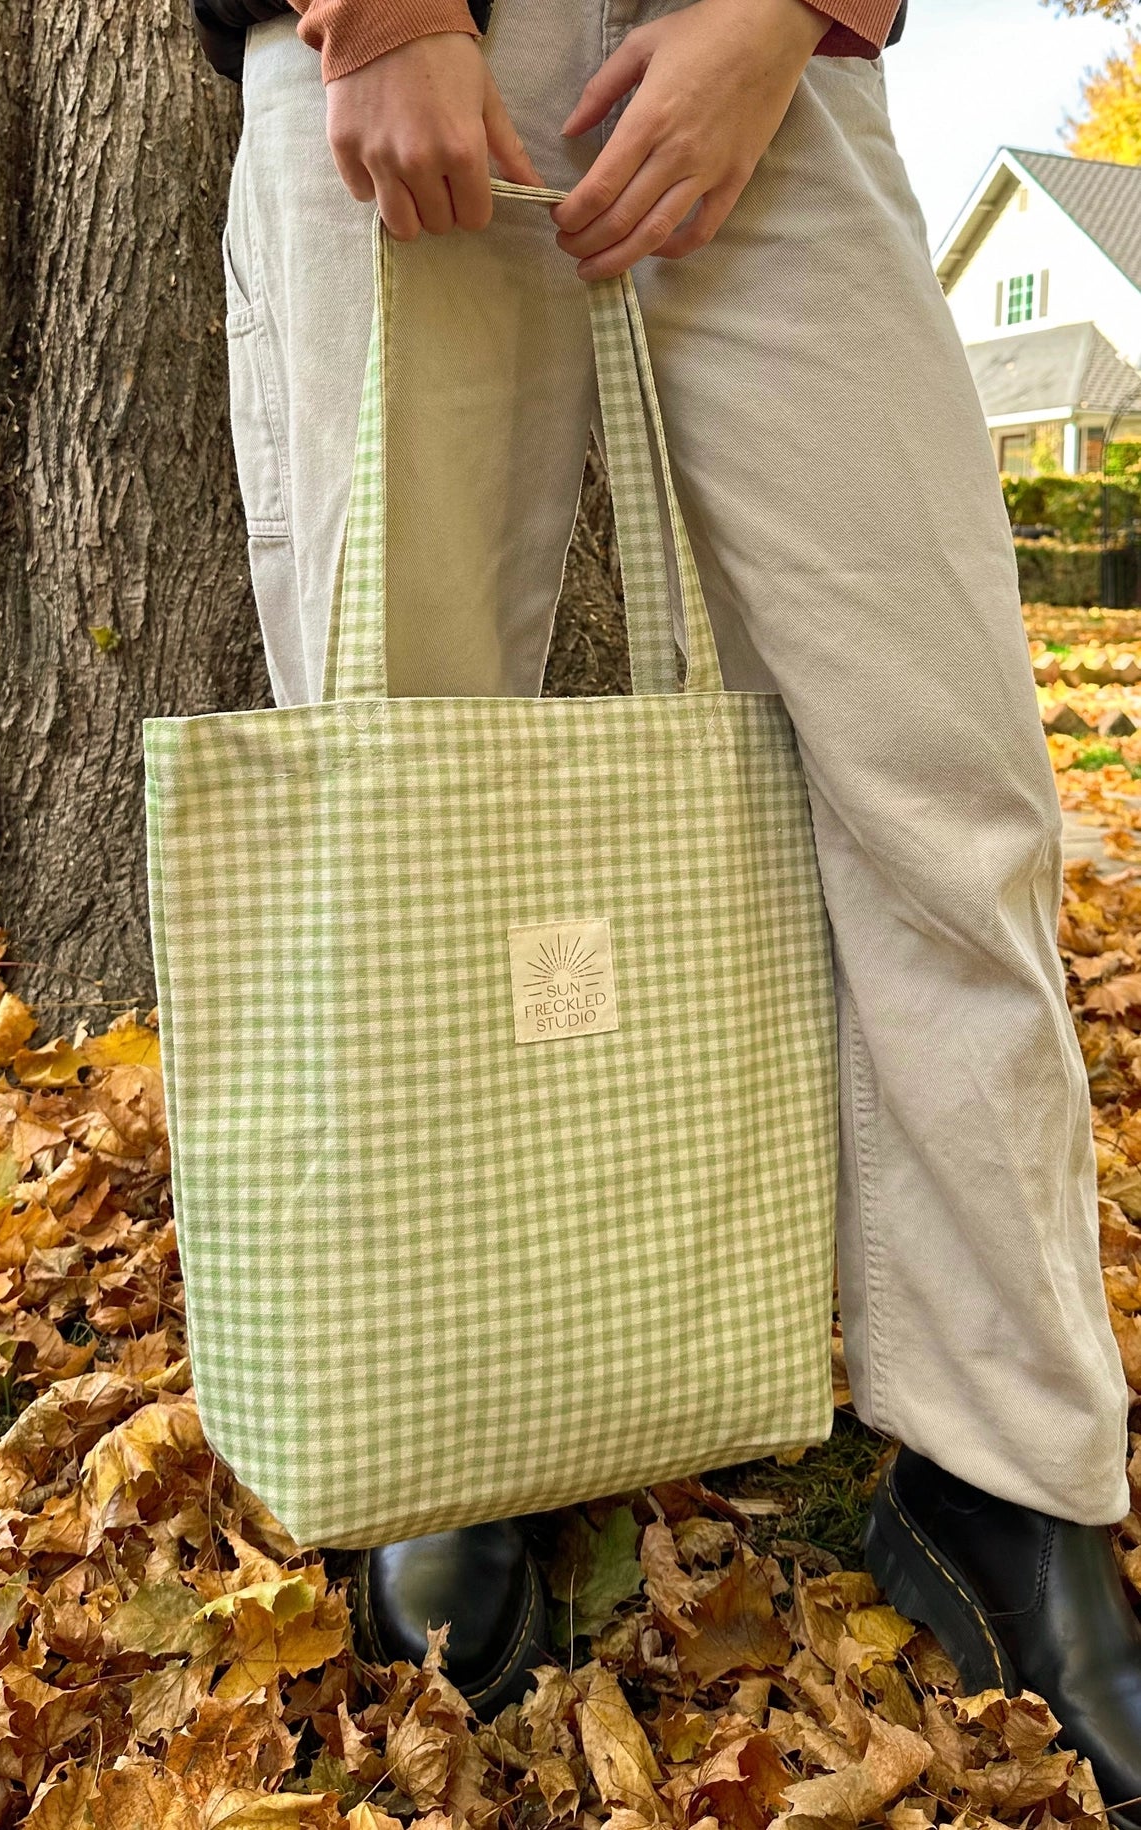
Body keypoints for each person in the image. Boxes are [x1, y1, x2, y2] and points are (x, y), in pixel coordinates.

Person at [188, 0, 1141, 1814]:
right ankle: (435, 1439)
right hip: (389, 47)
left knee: (947, 783)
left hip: (766, 57)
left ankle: (1002, 1472)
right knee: (406, 777)